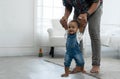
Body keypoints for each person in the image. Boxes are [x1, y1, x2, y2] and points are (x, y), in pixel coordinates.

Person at [60, 0, 103, 73]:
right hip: (79, 10)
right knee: (76, 34)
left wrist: (86, 14)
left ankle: (96, 64)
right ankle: (79, 64)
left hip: (94, 7)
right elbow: (68, 5)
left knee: (93, 32)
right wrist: (65, 16)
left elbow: (96, 1)